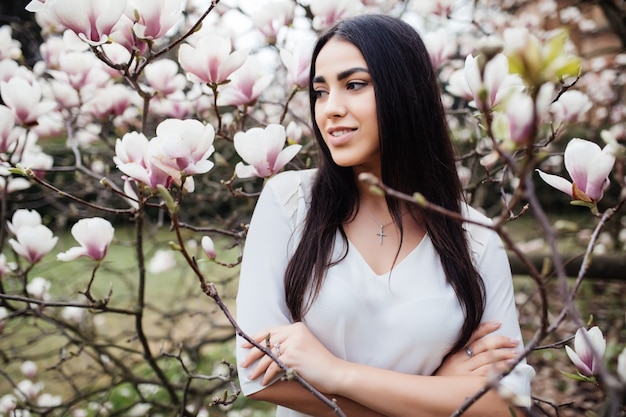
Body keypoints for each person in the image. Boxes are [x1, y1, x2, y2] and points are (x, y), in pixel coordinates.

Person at [235, 14, 534, 417]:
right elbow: (260, 377)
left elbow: (505, 403)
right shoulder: (290, 203)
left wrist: (336, 373)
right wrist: (436, 394)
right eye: (320, 92)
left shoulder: (475, 238)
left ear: (405, 92)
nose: (330, 109)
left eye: (354, 85)